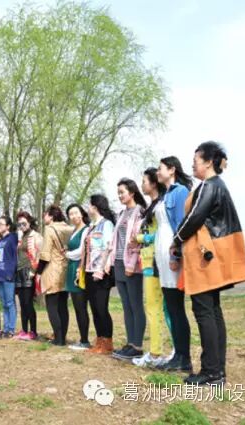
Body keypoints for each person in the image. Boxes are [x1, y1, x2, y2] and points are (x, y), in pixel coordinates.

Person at [174, 141, 245, 385]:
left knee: (204, 311)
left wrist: (176, 239)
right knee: (213, 312)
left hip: (204, 257)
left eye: (195, 160)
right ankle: (217, 371)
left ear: (207, 162)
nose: (192, 164)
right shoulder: (217, 185)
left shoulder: (209, 186)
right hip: (212, 255)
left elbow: (194, 217)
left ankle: (211, 371)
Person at [155, 156, 194, 373]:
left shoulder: (180, 192)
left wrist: (176, 255)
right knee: (171, 306)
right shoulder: (165, 194)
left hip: (172, 256)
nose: (157, 172)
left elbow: (181, 224)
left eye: (160, 168)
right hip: (161, 257)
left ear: (172, 170)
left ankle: (184, 357)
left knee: (177, 308)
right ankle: (178, 355)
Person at [132, 168, 169, 367]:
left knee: (156, 308)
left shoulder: (161, 205)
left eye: (144, 181)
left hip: (156, 260)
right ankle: (161, 351)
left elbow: (163, 232)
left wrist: (140, 238)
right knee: (155, 308)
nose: (142, 185)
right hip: (147, 261)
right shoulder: (151, 207)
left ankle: (156, 354)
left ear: (154, 183)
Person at [108, 178, 147, 360]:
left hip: (132, 264)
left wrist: (131, 264)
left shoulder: (140, 212)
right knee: (126, 306)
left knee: (135, 305)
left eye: (122, 192)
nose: (120, 195)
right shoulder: (122, 214)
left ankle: (137, 346)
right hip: (118, 262)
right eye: (118, 193)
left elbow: (138, 241)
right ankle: (130, 343)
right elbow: (117, 240)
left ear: (132, 192)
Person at [82, 195, 117, 354]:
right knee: (94, 308)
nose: (87, 208)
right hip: (89, 270)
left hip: (101, 272)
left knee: (102, 308)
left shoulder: (106, 224)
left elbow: (108, 247)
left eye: (89, 205)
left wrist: (101, 269)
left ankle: (107, 342)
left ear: (95, 207)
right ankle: (99, 340)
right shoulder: (91, 226)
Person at [36, 205, 73, 346]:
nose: (43, 217)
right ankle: (63, 337)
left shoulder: (50, 229)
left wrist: (39, 272)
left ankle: (58, 338)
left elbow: (45, 254)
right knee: (63, 305)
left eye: (45, 215)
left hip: (53, 270)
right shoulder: (69, 228)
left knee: (52, 305)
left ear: (51, 216)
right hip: (66, 269)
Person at [64, 204, 91, 351]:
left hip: (79, 269)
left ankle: (85, 341)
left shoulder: (86, 229)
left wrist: (66, 254)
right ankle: (82, 339)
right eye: (70, 214)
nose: (73, 216)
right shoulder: (74, 230)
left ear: (81, 213)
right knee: (77, 307)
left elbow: (82, 251)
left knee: (81, 307)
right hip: (71, 268)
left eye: (75, 213)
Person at [14, 211, 42, 341]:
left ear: (29, 222)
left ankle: (33, 331)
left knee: (28, 303)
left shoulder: (35, 236)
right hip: (19, 271)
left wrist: (34, 270)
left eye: (24, 223)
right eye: (19, 224)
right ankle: (24, 330)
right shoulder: (21, 237)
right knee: (22, 304)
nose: (22, 226)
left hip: (29, 271)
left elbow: (40, 254)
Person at [0, 215, 19, 338]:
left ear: (8, 226)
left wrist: (11, 272)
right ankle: (5, 328)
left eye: (1, 224)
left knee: (9, 303)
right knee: (3, 303)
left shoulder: (12, 237)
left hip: (8, 274)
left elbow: (14, 257)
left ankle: (11, 329)